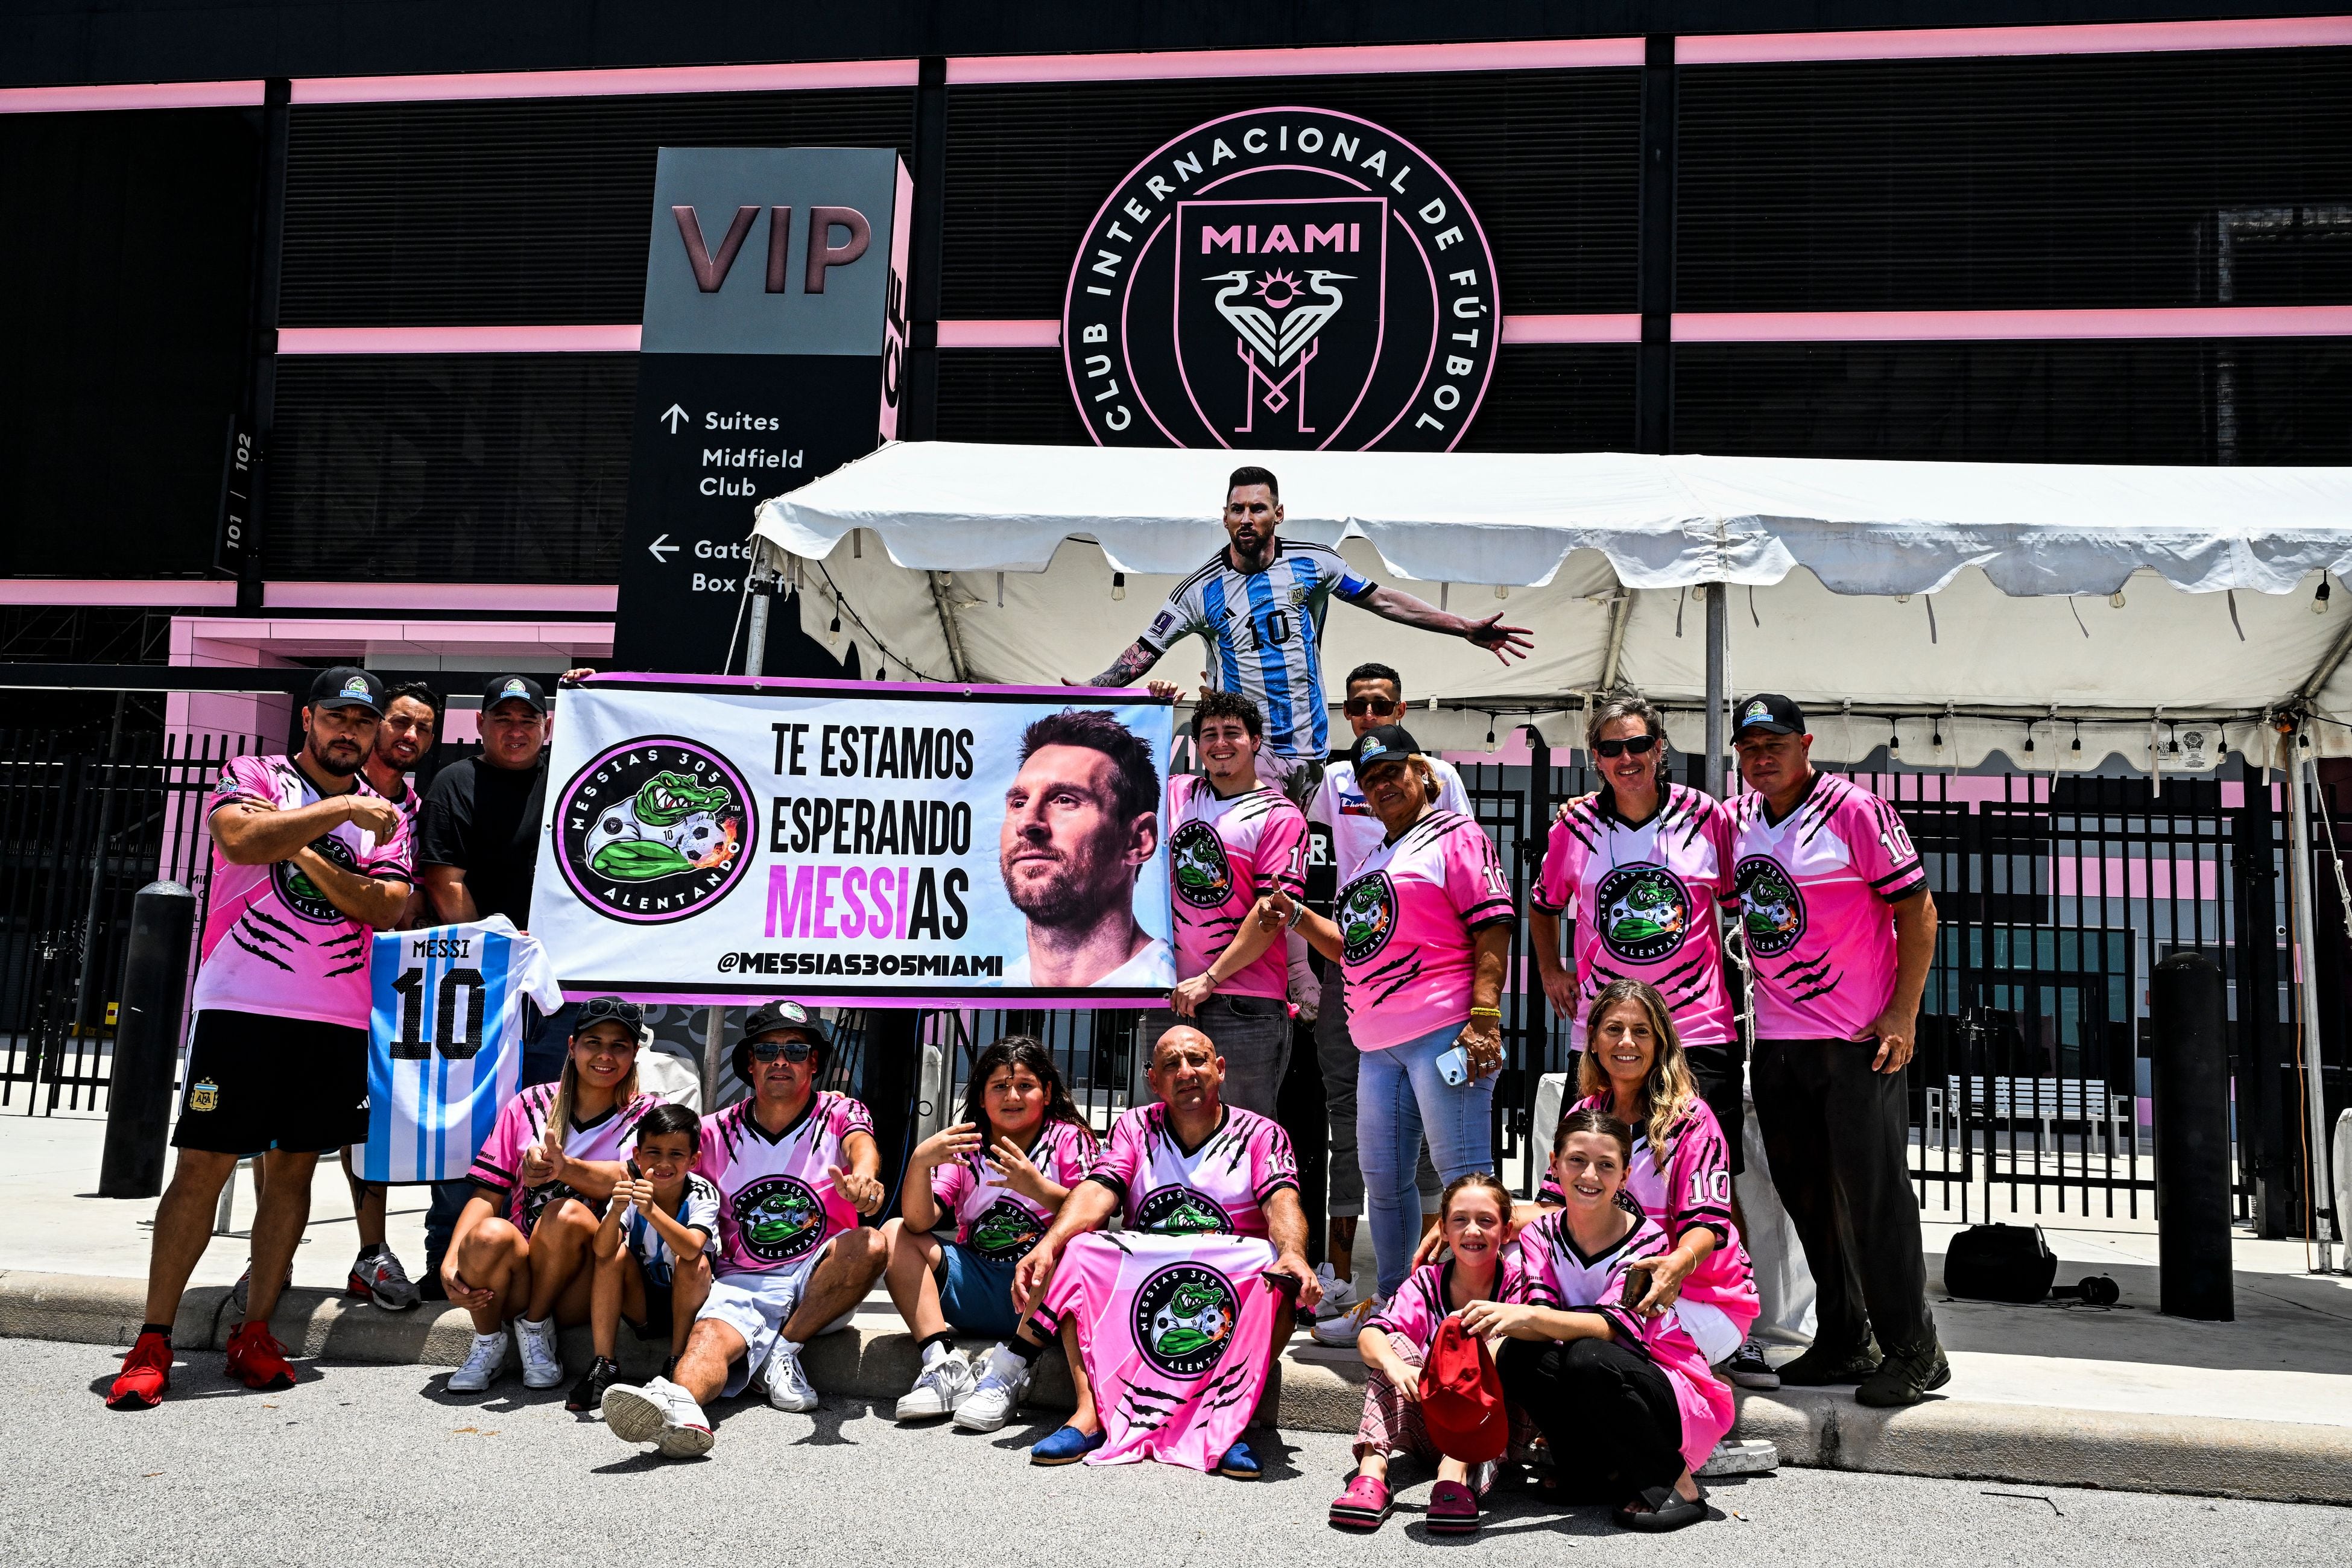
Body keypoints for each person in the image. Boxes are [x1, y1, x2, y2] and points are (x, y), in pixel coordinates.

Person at [107, 667, 413, 1409]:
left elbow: (389, 906)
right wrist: (335, 813)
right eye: (338, 716)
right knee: (204, 1166)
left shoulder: (390, 815)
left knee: (293, 1172)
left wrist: (301, 850)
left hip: (333, 1014)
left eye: (363, 722)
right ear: (307, 718)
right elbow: (239, 838)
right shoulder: (258, 773)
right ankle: (153, 1336)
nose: (351, 731)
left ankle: (256, 1328)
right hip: (242, 1003)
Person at [1528, 695, 1774, 1386]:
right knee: (1596, 1176)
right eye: (1611, 749)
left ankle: (1735, 1327)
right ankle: (1600, 1302)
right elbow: (1544, 905)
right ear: (1595, 757)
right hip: (1610, 1038)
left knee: (1711, 1191)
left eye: (1638, 744)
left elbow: (1744, 896)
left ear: (1661, 746)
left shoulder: (1708, 817)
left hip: (1698, 1031)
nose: (1626, 759)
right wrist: (1551, 968)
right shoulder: (1573, 826)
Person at [975, 1025, 1321, 1478]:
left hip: (1226, 1291)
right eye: (1171, 1065)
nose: (1186, 1073)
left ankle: (1227, 1423)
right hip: (1145, 1284)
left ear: (1219, 1070)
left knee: (1269, 1266)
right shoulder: (1133, 1127)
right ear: (1152, 1080)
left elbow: (1283, 1200)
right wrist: (1050, 1243)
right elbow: (1098, 1190)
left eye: (1196, 1061)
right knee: (1082, 1251)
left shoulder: (1262, 1134)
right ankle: (1090, 1413)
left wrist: (1293, 1252)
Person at [1260, 724, 1511, 1334]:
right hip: (1378, 1045)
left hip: (1444, 1031)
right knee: (1385, 1183)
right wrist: (1295, 914)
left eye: (1394, 771)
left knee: (1464, 1180)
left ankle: (1471, 1311)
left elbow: (1493, 927)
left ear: (1423, 773)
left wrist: (1484, 1017)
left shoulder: (1458, 835)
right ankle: (1400, 1305)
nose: (1383, 785)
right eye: (1371, 779)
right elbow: (1352, 948)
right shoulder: (1375, 857)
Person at [1730, 694, 1944, 1407]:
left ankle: (1915, 1348)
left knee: (1874, 1199)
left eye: (1776, 742)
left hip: (1856, 1040)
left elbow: (1918, 910)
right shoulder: (1744, 821)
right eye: (1751, 744)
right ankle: (1847, 1335)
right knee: (1811, 1201)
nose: (1764, 755)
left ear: (1806, 742)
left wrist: (1903, 1015)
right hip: (1782, 1041)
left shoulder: (1856, 810)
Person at [1084, 466, 1532, 803]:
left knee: (1295, 879)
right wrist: (1086, 691)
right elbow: (1143, 652)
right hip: (1247, 752)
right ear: (1223, 517)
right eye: (1237, 509)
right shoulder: (1200, 592)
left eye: (1257, 508)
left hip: (1312, 750)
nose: (1246, 518)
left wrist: (1465, 628)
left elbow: (1384, 600)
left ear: (1278, 514)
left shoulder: (1315, 564)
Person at [599, 1000, 888, 1458]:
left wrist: (864, 1179)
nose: (781, 1061)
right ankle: (679, 1410)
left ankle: (783, 1352)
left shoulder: (838, 1111)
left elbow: (862, 1149)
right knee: (707, 1339)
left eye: (796, 1051)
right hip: (743, 1282)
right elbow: (635, 1170)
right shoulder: (711, 1132)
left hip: (821, 1280)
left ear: (814, 1063)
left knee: (872, 1242)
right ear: (749, 1063)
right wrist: (563, 1167)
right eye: (768, 1050)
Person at [416, 669, 589, 1294]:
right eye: (503, 719)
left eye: (529, 720)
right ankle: (451, 1260)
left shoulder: (571, 772)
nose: (516, 730)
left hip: (562, 989)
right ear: (481, 725)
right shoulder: (455, 782)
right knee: (469, 1124)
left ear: (547, 728)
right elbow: (443, 881)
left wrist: (595, 695)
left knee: (555, 1125)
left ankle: (542, 1265)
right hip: (478, 985)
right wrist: (501, 957)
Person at [1472, 1109, 1726, 1534]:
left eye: (1606, 1165)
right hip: (1601, 1386)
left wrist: (1523, 1316)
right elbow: (1539, 1323)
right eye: (1576, 1160)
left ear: (1625, 1176)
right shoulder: (1539, 1235)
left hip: (1671, 1394)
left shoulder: (1648, 1240)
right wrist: (1490, 1333)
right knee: (1520, 1354)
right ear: (1553, 1164)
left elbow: (1612, 1329)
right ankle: (1590, 1472)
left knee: (1588, 1356)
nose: (1590, 1174)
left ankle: (1678, 1485)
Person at [1306, 662, 1468, 1319]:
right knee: (1356, 1130)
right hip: (1353, 975)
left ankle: (1443, 1282)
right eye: (1356, 708)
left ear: (1401, 707)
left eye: (1379, 705)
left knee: (1437, 1136)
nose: (1367, 715)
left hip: (1427, 984)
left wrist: (1476, 1004)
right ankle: (1346, 1278)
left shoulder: (1439, 778)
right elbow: (1316, 868)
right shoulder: (1332, 782)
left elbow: (1464, 875)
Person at [1523, 983, 1762, 1386]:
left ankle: (1677, 1405)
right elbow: (1550, 1210)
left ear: (1660, 1043)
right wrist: (1473, 1218)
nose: (1627, 1042)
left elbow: (1707, 1226)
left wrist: (1676, 1266)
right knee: (1518, 1277)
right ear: (1594, 1040)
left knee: (1588, 1347)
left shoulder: (1691, 1120)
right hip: (1617, 1292)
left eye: (1642, 1031)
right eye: (1614, 1029)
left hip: (1697, 1298)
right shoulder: (1586, 1112)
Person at [441, 997, 664, 1394]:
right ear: (572, 1046)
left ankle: (536, 1327)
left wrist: (566, 1168)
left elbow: (639, 1180)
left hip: (587, 1283)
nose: (605, 1055)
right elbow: (487, 1192)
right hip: (521, 1276)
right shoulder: (529, 1104)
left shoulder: (650, 1115)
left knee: (567, 1214)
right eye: (593, 1042)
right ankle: (489, 1341)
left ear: (635, 1053)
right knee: (489, 1234)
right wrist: (452, 1257)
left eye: (619, 1046)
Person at [882, 1036, 1099, 1421]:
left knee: (1075, 1246)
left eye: (1025, 1086)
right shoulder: (968, 1145)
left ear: (1047, 1093)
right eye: (999, 1086)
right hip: (977, 1288)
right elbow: (920, 1221)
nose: (1012, 1095)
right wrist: (919, 1162)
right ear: (982, 1098)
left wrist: (1036, 1187)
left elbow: (1094, 1213)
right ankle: (941, 1363)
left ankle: (1011, 1368)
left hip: (1043, 1297)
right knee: (896, 1231)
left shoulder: (1070, 1139)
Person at [1328, 1172, 1525, 1536]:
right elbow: (1370, 1335)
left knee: (1512, 1353)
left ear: (1507, 1230)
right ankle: (1372, 1474)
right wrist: (1395, 1365)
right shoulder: (1426, 1281)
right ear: (1445, 1231)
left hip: (1490, 1430)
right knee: (1394, 1344)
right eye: (1460, 1220)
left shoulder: (1520, 1283)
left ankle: (1454, 1473)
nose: (1473, 1231)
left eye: (1486, 1221)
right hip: (1432, 1418)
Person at [1146, 691, 1308, 1117]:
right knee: (1161, 1135)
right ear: (1196, 745)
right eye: (1209, 734)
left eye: (1232, 733)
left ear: (1256, 740)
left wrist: (1210, 979)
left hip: (1245, 1003)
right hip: (1169, 996)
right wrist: (1154, 706)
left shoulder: (1280, 816)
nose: (1220, 743)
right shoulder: (1175, 793)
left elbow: (1270, 914)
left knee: (1245, 1137)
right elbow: (1122, 765)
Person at [341, 678, 440, 1312]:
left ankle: (370, 1251)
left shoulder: (422, 806)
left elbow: (419, 898)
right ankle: (268, 1259)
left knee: (368, 1122)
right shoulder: (336, 792)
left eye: (423, 728)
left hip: (388, 987)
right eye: (400, 722)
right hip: (318, 977)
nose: (409, 735)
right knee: (285, 1133)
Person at [998, 707, 1171, 989]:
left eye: (1065, 800)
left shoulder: (1181, 990)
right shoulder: (985, 992)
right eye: (1019, 803)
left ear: (1138, 840)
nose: (1028, 822)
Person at [568, 1102, 718, 1413]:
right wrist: (616, 1213)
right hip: (642, 1305)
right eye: (654, 1152)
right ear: (637, 1156)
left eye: (676, 1154)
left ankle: (676, 1359)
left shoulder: (702, 1194)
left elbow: (692, 1248)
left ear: (694, 1160)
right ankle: (604, 1363)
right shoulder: (630, 1191)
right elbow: (602, 1250)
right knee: (613, 1254)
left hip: (689, 1305)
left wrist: (652, 1210)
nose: (664, 1163)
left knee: (692, 1262)